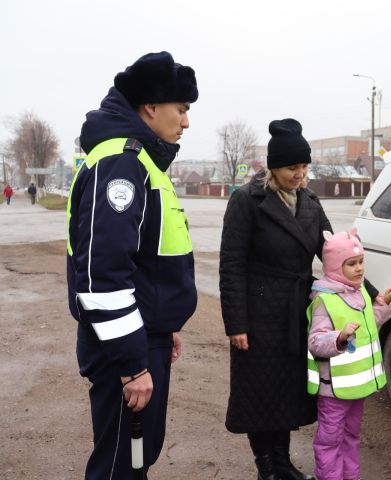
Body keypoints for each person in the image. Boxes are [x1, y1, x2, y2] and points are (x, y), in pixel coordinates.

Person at [220, 118, 380, 480]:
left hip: (296, 310)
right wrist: (237, 323)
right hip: (259, 312)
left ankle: (283, 462)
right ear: (274, 167)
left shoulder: (309, 201)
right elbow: (231, 266)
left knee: (286, 392)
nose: (301, 174)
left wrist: (369, 293)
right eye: (293, 167)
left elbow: (333, 254)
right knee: (260, 392)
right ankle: (267, 467)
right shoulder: (247, 201)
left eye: (305, 166)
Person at [66, 51, 198, 479]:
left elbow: (144, 260)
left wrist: (164, 324)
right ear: (151, 107)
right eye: (181, 109)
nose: (186, 122)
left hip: (144, 336)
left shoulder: (140, 161)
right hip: (125, 347)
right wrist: (132, 364)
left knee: (137, 459)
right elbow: (102, 275)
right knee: (119, 467)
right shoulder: (122, 163)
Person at [307, 228, 391, 480]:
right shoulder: (325, 300)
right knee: (329, 441)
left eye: (361, 262)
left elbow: (368, 328)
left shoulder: (360, 291)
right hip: (334, 391)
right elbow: (315, 342)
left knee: (352, 436)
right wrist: (339, 337)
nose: (359, 269)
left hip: (358, 387)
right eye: (351, 264)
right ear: (334, 267)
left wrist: (383, 306)